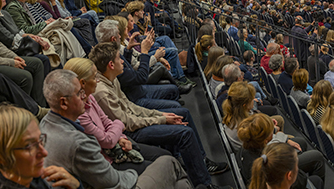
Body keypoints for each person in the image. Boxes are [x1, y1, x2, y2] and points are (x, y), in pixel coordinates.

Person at [88, 42, 228, 187]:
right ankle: (204, 184)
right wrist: (161, 119)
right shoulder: (102, 92)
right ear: (111, 64)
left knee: (182, 113)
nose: (123, 61)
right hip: (131, 133)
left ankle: (201, 160)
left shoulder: (112, 79)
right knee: (185, 133)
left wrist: (160, 115)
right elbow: (128, 123)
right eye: (119, 58)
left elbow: (131, 107)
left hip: (135, 122)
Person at [39, 70, 194, 189]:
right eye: (79, 93)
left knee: (178, 184)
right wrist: (136, 172)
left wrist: (119, 135)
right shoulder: (77, 143)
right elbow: (114, 181)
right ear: (64, 103)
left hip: (104, 167)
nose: (84, 96)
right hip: (117, 179)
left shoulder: (45, 124)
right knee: (170, 163)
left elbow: (108, 123)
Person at [65, 58, 173, 174]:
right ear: (82, 83)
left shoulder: (90, 97)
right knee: (163, 168)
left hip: (118, 141)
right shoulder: (79, 113)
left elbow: (106, 121)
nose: (97, 80)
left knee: (167, 156)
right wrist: (119, 124)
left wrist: (121, 137)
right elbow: (107, 140)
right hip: (108, 161)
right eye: (94, 77)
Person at [0, 105, 81, 189]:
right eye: (29, 146)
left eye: (40, 140)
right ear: (1, 156)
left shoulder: (26, 175)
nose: (44, 153)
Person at [238, 113, 324, 189]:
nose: (274, 129)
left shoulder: (246, 148)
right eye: (271, 129)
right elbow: (300, 181)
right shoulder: (274, 163)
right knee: (317, 178)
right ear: (266, 139)